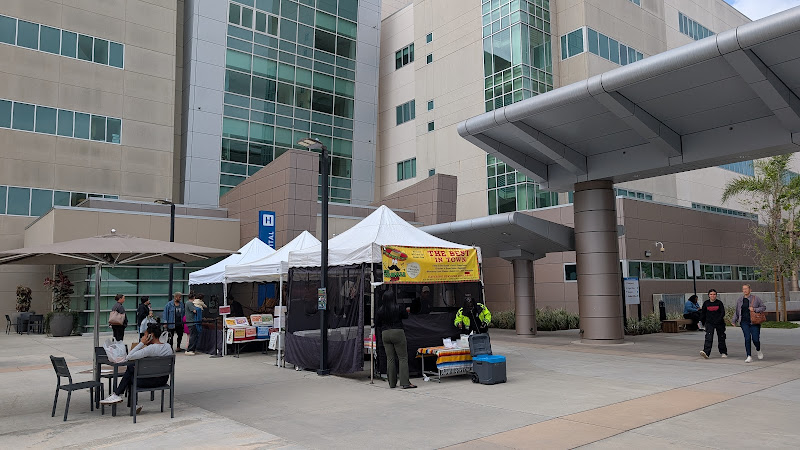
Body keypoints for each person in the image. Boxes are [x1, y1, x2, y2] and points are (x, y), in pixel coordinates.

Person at [100, 323, 174, 410]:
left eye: (145, 335)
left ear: (151, 336)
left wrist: (141, 343)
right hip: (163, 380)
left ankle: (118, 395)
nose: (143, 337)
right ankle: (131, 404)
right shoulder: (168, 347)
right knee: (131, 369)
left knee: (131, 373)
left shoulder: (150, 349)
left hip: (150, 382)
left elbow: (129, 357)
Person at [375, 290, 416, 389]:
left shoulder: (380, 310)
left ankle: (392, 383)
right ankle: (405, 382)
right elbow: (405, 316)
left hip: (385, 333)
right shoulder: (398, 307)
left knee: (390, 358)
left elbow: (377, 323)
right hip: (398, 332)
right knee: (402, 358)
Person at [732, 284, 766, 363]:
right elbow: (737, 311)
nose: (745, 290)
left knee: (755, 339)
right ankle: (749, 356)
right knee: (747, 338)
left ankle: (758, 349)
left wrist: (754, 309)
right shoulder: (740, 300)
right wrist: (734, 320)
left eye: (746, 289)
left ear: (750, 290)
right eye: (743, 289)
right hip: (744, 322)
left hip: (754, 322)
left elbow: (763, 307)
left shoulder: (756, 298)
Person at [699, 289, 727, 359]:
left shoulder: (719, 303)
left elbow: (722, 312)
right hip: (709, 323)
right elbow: (703, 313)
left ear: (716, 295)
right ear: (708, 295)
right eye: (711, 294)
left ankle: (723, 352)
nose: (712, 296)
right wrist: (701, 322)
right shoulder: (706, 303)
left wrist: (719, 320)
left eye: (714, 294)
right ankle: (706, 352)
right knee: (708, 337)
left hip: (719, 323)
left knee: (721, 337)